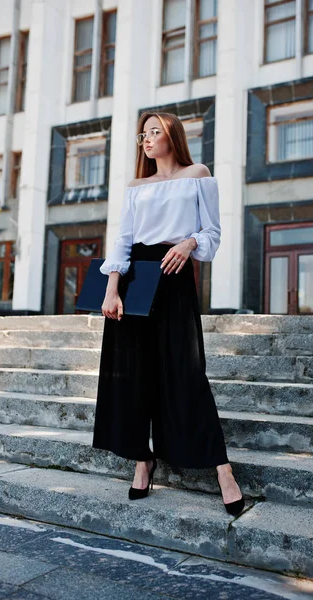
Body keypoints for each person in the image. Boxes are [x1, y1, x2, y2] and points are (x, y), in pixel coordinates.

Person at [92, 111, 244, 516]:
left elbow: (212, 232)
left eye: (155, 131)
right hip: (135, 280)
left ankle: (223, 470)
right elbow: (123, 241)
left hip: (174, 275)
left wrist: (189, 242)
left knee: (186, 372)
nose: (147, 138)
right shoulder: (136, 185)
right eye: (143, 133)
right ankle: (143, 461)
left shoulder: (198, 173)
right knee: (135, 374)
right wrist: (111, 290)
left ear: (173, 135)